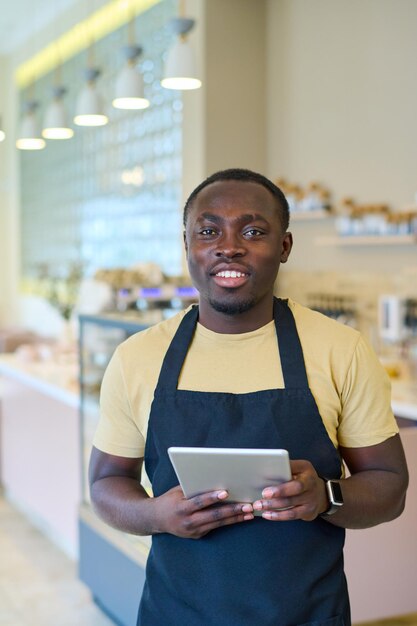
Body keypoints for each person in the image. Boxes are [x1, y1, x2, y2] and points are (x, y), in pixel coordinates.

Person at [89, 168, 409, 626]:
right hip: (176, 612)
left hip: (309, 614)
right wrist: (156, 514)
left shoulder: (341, 350)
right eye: (208, 230)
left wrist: (326, 496)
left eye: (254, 231)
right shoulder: (137, 357)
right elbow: (104, 485)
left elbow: (389, 485)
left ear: (284, 247)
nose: (229, 246)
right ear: (187, 246)